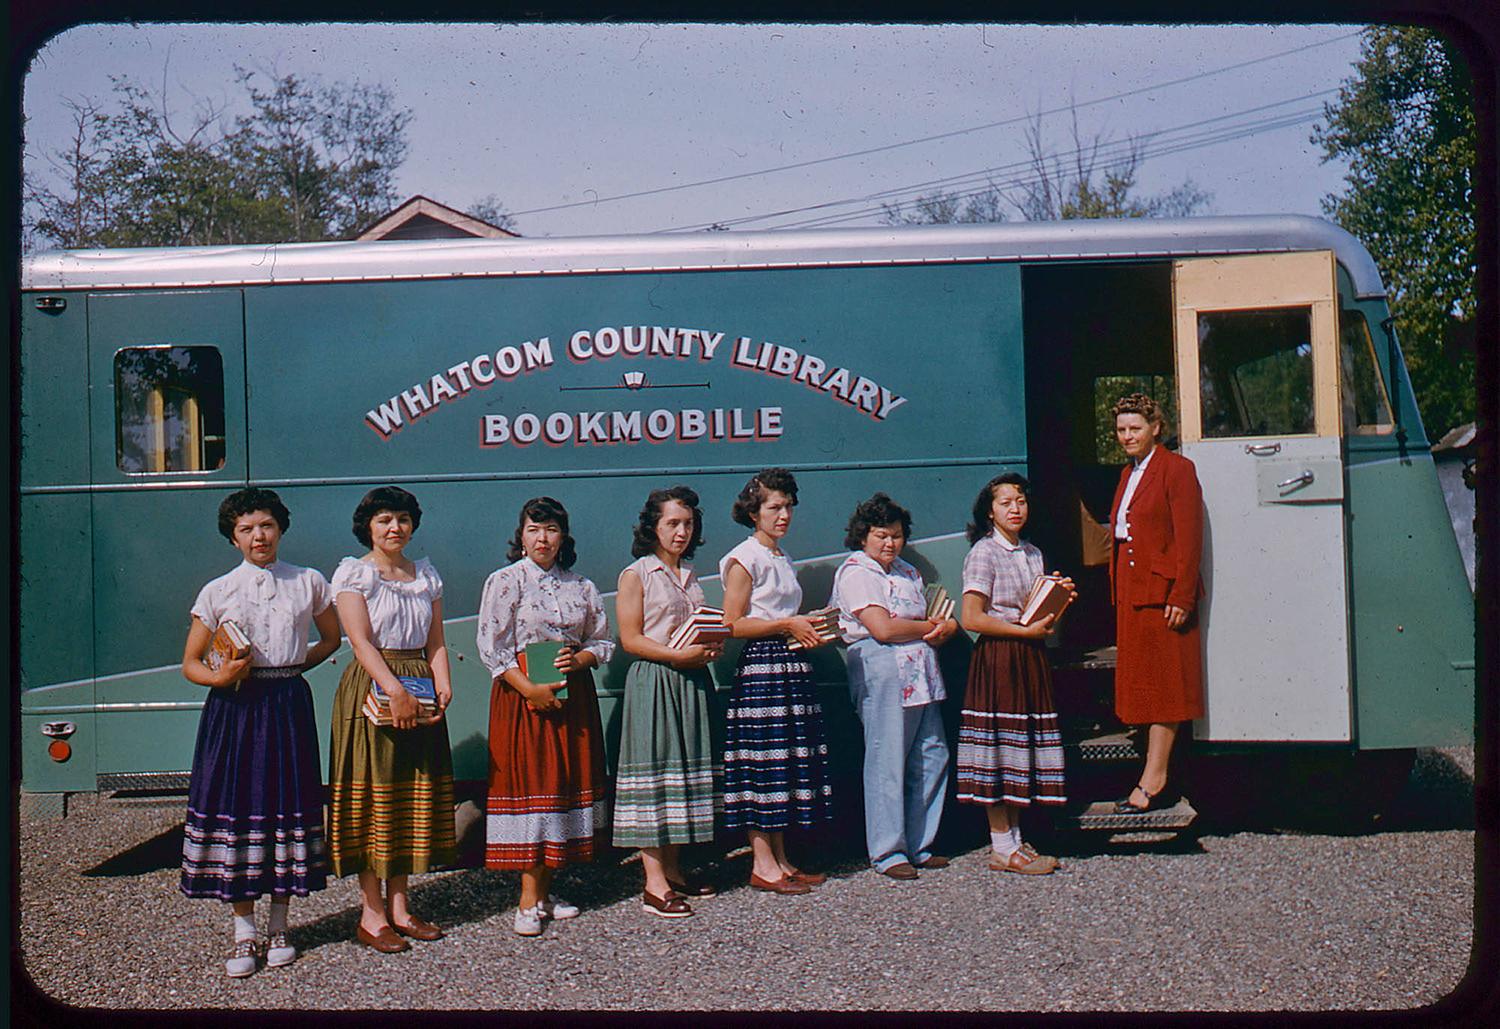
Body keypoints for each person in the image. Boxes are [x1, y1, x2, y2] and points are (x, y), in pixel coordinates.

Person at [179, 487, 341, 978]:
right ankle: (243, 935)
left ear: (281, 528)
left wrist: (291, 670)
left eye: (266, 525)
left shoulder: (308, 581)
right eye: (246, 529)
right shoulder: (218, 590)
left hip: (287, 702)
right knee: (242, 808)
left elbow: (332, 637)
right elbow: (190, 663)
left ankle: (280, 927)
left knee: (285, 804)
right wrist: (221, 677)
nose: (258, 536)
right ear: (233, 537)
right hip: (235, 709)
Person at [476, 497, 613, 937]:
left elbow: (603, 640)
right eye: (534, 529)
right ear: (521, 535)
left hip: (573, 694)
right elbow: (491, 647)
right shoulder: (504, 581)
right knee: (533, 785)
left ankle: (546, 890)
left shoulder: (582, 586)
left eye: (551, 529)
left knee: (561, 786)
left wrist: (586, 658)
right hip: (523, 695)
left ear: (563, 536)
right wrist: (529, 688)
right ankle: (526, 900)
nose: (542, 538)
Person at [327, 486, 455, 953]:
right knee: (373, 793)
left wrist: (442, 685)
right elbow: (360, 641)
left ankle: (401, 907)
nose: (394, 528)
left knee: (407, 792)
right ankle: (371, 914)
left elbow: (436, 640)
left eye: (402, 519)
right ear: (368, 526)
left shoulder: (426, 575)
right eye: (384, 520)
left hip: (418, 684)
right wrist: (395, 691)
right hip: (374, 686)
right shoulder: (353, 574)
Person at [831, 492, 959, 880]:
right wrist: (931, 628)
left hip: (920, 671)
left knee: (932, 754)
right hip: (881, 667)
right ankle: (888, 852)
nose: (890, 543)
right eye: (881, 535)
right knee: (887, 759)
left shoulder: (907, 572)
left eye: (897, 535)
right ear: (863, 536)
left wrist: (945, 627)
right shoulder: (856, 572)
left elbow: (930, 618)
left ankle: (920, 843)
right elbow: (882, 628)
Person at [719, 468, 833, 894]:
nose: (783, 515)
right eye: (774, 507)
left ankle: (782, 861)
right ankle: (762, 866)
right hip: (762, 669)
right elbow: (732, 623)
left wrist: (809, 624)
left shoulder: (781, 556)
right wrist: (787, 622)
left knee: (783, 764)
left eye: (788, 506)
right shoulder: (744, 558)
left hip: (790, 665)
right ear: (754, 512)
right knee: (763, 766)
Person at [613, 486, 724, 917]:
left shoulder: (691, 575)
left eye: (688, 524)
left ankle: (675, 873)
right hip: (656, 680)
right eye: (672, 524)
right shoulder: (636, 574)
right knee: (656, 775)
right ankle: (653, 884)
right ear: (653, 527)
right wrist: (679, 656)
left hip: (692, 681)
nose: (681, 532)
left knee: (682, 776)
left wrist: (709, 647)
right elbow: (631, 638)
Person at [957, 474, 1075, 874]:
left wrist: (1056, 600)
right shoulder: (983, 553)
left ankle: (1016, 842)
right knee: (999, 751)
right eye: (1005, 502)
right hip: (999, 657)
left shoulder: (1033, 553)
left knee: (1019, 751)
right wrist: (1022, 630)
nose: (1015, 509)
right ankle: (1001, 846)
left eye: (1020, 500)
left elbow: (1033, 610)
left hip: (1028, 654)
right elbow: (972, 617)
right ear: (990, 511)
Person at [1108, 393, 1204, 813]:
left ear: (1155, 428)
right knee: (1145, 686)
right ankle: (1153, 771)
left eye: (1135, 428)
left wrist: (1181, 594)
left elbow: (1189, 537)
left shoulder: (1177, 470)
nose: (1127, 436)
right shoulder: (1128, 473)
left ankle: (1155, 778)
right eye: (1122, 430)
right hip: (1133, 593)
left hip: (1162, 595)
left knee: (1165, 688)